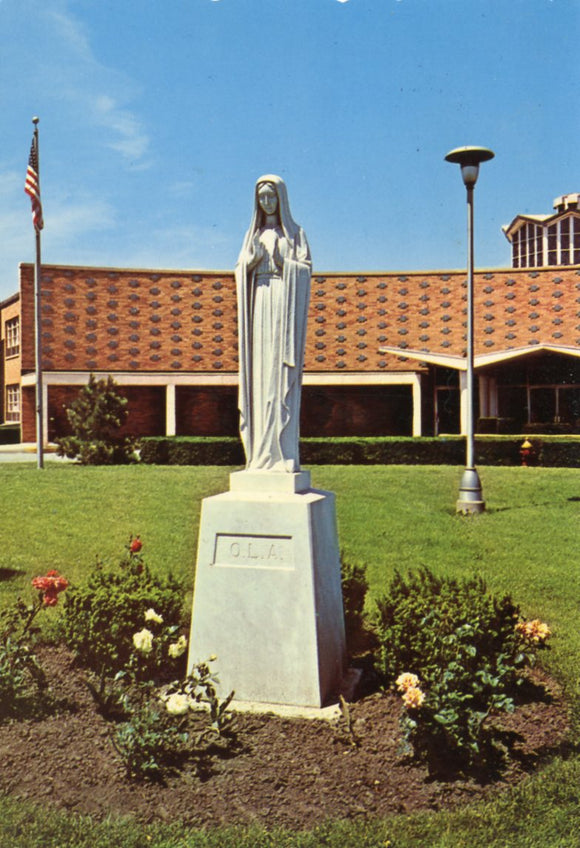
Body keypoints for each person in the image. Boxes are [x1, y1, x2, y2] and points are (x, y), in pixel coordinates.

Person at [235, 175, 311, 472]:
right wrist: (250, 263)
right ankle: (258, 454)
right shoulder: (250, 235)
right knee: (260, 372)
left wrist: (284, 262)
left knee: (278, 376)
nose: (266, 202)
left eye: (271, 196)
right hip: (258, 303)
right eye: (262, 198)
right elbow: (240, 269)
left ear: (281, 199)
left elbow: (305, 270)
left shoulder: (295, 234)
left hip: (282, 301)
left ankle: (281, 453)